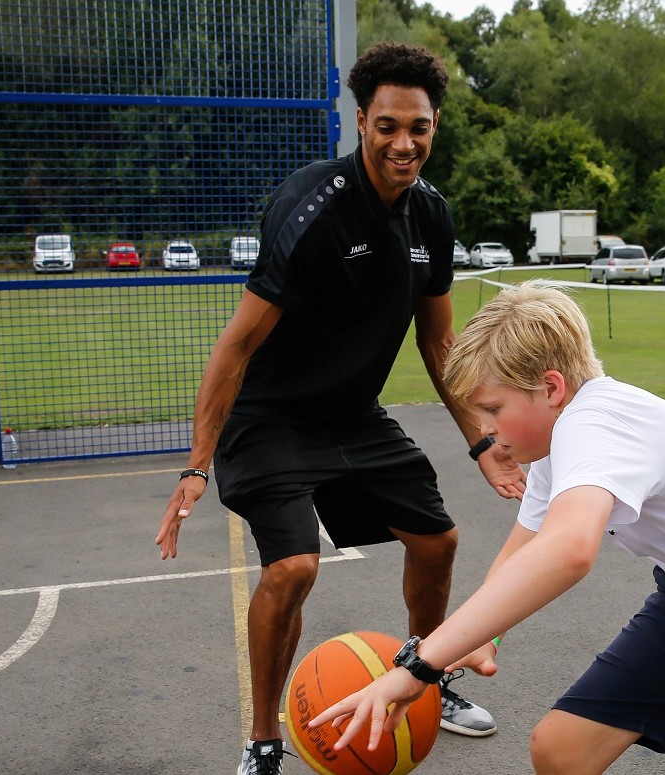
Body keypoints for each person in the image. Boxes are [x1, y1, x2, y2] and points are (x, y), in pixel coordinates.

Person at [311, 282, 665, 775]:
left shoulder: (599, 425)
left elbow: (568, 550)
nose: (485, 430)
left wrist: (419, 666)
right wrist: (483, 634)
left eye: (493, 409)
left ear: (551, 388)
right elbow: (524, 549)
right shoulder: (552, 444)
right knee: (561, 750)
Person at [153, 42, 524, 775]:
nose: (403, 143)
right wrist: (197, 464)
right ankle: (263, 741)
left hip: (353, 415)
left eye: (418, 127)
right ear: (361, 122)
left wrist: (484, 442)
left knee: (438, 541)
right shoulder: (311, 207)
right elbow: (236, 347)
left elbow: (439, 340)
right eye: (388, 126)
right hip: (270, 417)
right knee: (293, 566)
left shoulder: (431, 216)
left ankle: (426, 674)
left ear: (435, 126)